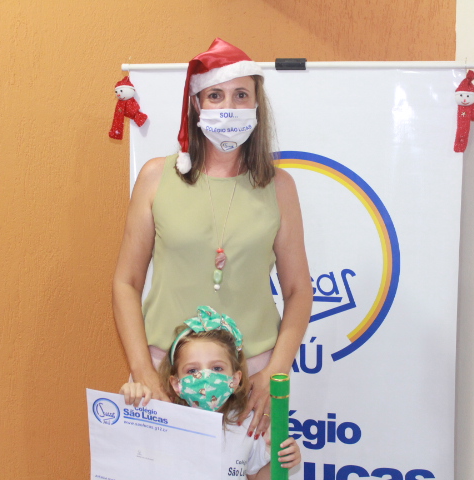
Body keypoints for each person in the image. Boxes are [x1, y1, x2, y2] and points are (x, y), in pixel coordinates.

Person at [112, 38, 313, 438]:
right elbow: (126, 282)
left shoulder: (280, 187)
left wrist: (275, 373)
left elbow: (298, 291)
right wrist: (143, 370)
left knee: (253, 467)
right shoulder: (155, 177)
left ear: (257, 104)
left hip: (251, 379)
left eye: (241, 95)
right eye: (216, 95)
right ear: (196, 104)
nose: (229, 107)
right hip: (166, 375)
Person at [120, 307, 301, 479]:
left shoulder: (248, 425)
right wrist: (130, 399)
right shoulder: (162, 420)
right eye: (192, 370)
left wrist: (280, 463)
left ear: (235, 379)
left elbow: (258, 477)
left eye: (217, 368)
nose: (206, 377)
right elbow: (129, 448)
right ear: (176, 384)